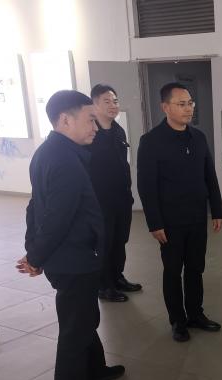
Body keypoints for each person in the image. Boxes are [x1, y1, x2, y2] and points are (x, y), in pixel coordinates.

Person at [17, 90, 125, 380]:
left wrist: (34, 250)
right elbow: (56, 217)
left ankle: (95, 372)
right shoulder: (64, 160)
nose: (95, 127)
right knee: (76, 327)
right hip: (73, 259)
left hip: (74, 255)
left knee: (85, 317)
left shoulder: (50, 152)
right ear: (65, 120)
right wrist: (35, 256)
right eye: (90, 119)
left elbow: (35, 206)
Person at [137, 82, 222, 342]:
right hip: (170, 221)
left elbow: (210, 175)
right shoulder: (151, 141)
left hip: (196, 216)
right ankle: (178, 320)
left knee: (196, 268)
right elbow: (146, 186)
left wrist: (217, 210)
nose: (188, 109)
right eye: (181, 104)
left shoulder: (198, 137)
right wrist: (155, 223)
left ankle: (195, 314)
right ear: (165, 107)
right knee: (173, 271)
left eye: (190, 103)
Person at [88, 84, 142, 302]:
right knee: (105, 243)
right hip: (100, 201)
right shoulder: (90, 133)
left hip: (121, 198)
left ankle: (117, 278)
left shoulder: (118, 130)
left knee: (120, 240)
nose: (113, 105)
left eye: (115, 101)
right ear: (94, 105)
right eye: (107, 101)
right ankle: (104, 286)